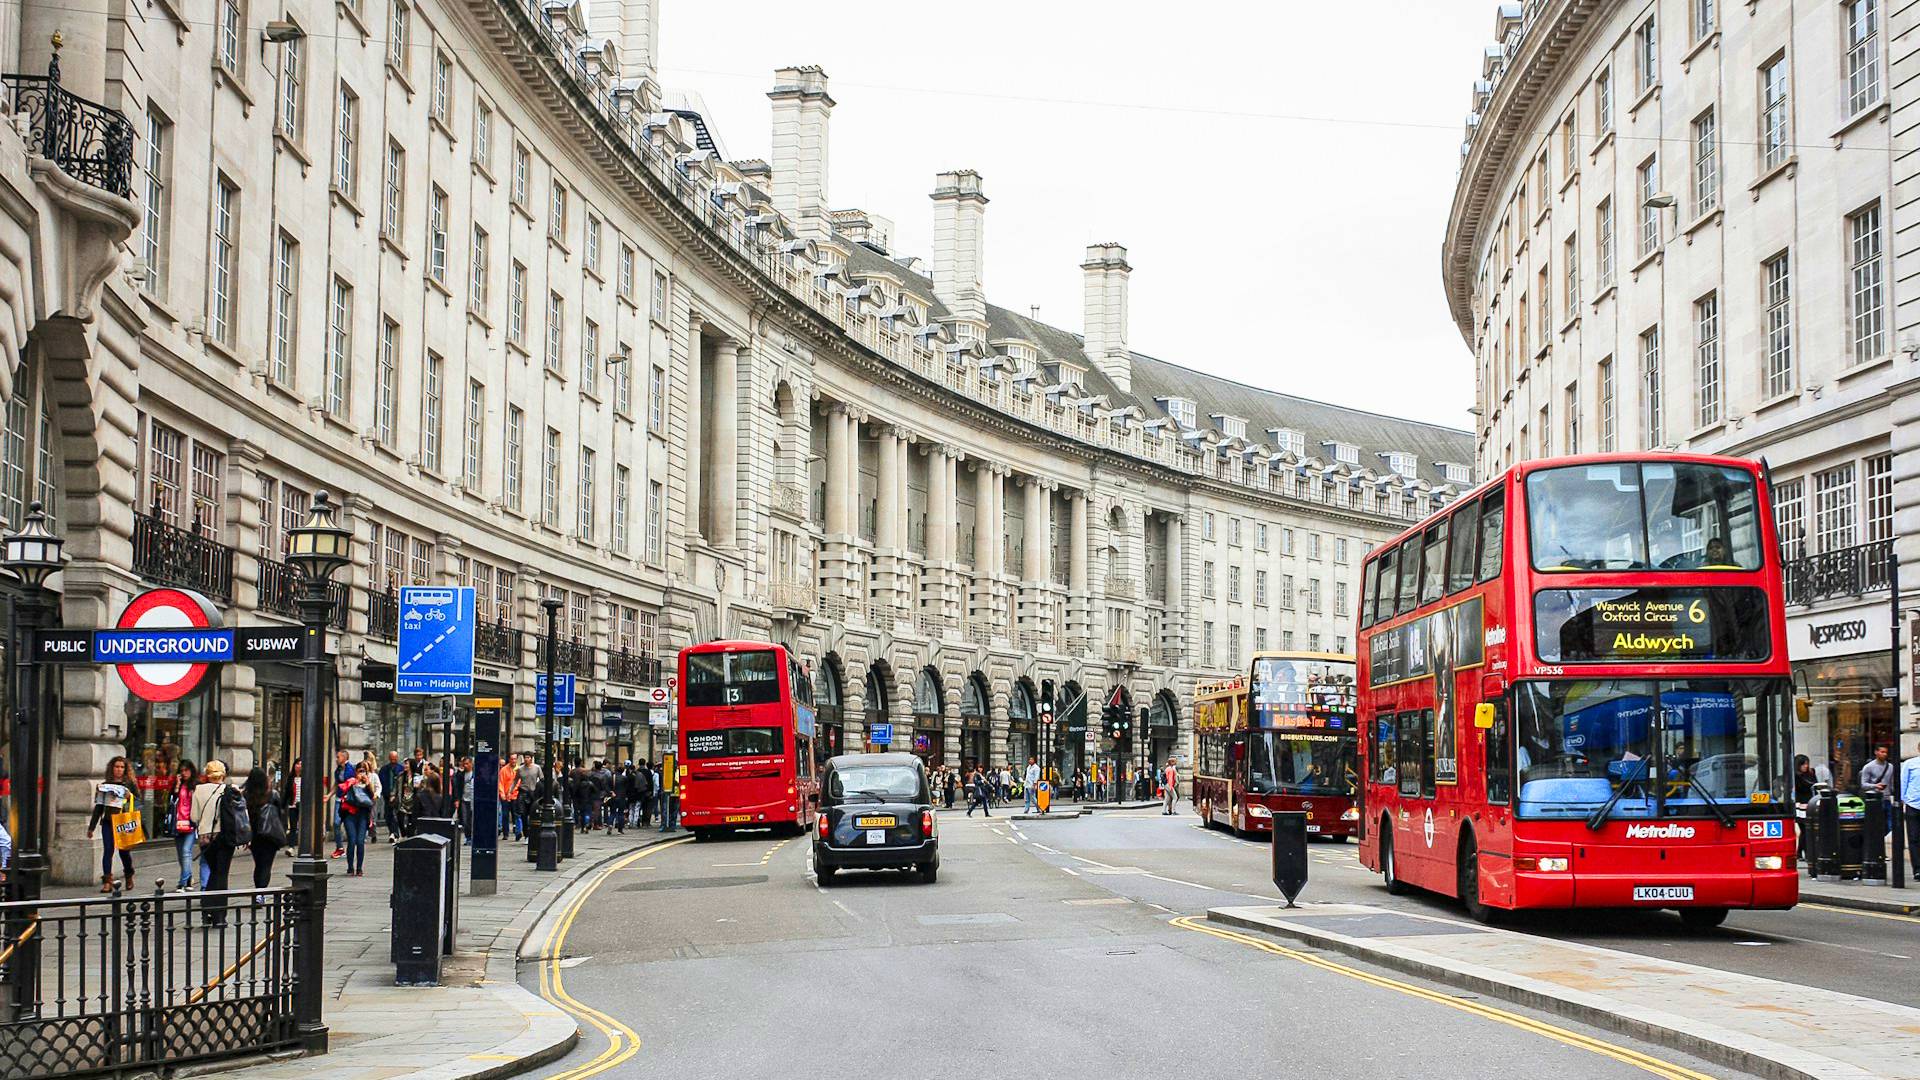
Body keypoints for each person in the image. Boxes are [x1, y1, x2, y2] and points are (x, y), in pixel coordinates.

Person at [191, 760, 236, 926]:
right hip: (223, 837)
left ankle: (207, 909)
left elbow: (194, 817)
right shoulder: (229, 790)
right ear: (223, 774)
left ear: (207, 774)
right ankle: (218, 915)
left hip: (205, 838)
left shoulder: (198, 790)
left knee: (213, 871)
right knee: (221, 873)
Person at [85, 757, 138, 892]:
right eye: (116, 767)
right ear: (112, 768)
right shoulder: (105, 785)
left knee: (124, 852)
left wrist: (129, 796)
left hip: (123, 822)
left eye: (121, 767)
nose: (119, 770)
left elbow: (138, 801)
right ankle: (107, 881)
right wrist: (91, 827)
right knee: (108, 850)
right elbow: (99, 807)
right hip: (108, 821)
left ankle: (129, 874)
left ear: (125, 769)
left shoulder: (129, 784)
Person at [245, 766, 284, 889]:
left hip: (254, 836)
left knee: (259, 864)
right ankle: (261, 891)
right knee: (266, 865)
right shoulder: (272, 795)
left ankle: (259, 890)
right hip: (270, 835)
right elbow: (280, 813)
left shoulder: (246, 795)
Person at [338, 763, 376, 876]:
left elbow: (372, 799)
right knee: (352, 840)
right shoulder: (351, 782)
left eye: (364, 771)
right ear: (356, 772)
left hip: (363, 815)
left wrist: (368, 784)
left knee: (360, 842)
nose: (362, 773)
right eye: (360, 771)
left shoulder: (367, 785)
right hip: (350, 815)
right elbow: (342, 790)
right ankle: (350, 867)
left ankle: (359, 868)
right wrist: (352, 783)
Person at [172, 760, 200, 890]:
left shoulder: (196, 785)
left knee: (186, 852)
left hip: (190, 823)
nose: (184, 773)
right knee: (180, 854)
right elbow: (172, 801)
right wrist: (177, 786)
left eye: (186, 770)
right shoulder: (178, 785)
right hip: (178, 823)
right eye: (181, 771)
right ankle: (188, 879)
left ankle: (182, 883)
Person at [1901, 751, 1920, 875]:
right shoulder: (1910, 763)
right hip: (1913, 805)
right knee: (1914, 838)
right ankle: (1918, 869)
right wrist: (1904, 800)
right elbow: (1903, 782)